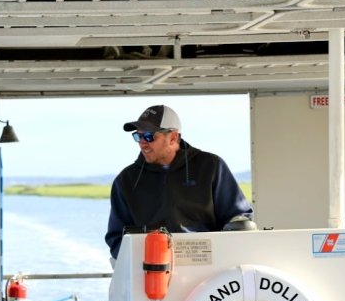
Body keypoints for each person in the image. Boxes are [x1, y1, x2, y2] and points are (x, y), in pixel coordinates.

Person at [105, 104, 253, 259]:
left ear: (173, 137)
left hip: (207, 267)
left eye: (149, 136)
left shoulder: (211, 167)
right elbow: (116, 238)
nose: (142, 142)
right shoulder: (126, 181)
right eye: (138, 136)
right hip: (150, 271)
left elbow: (238, 219)